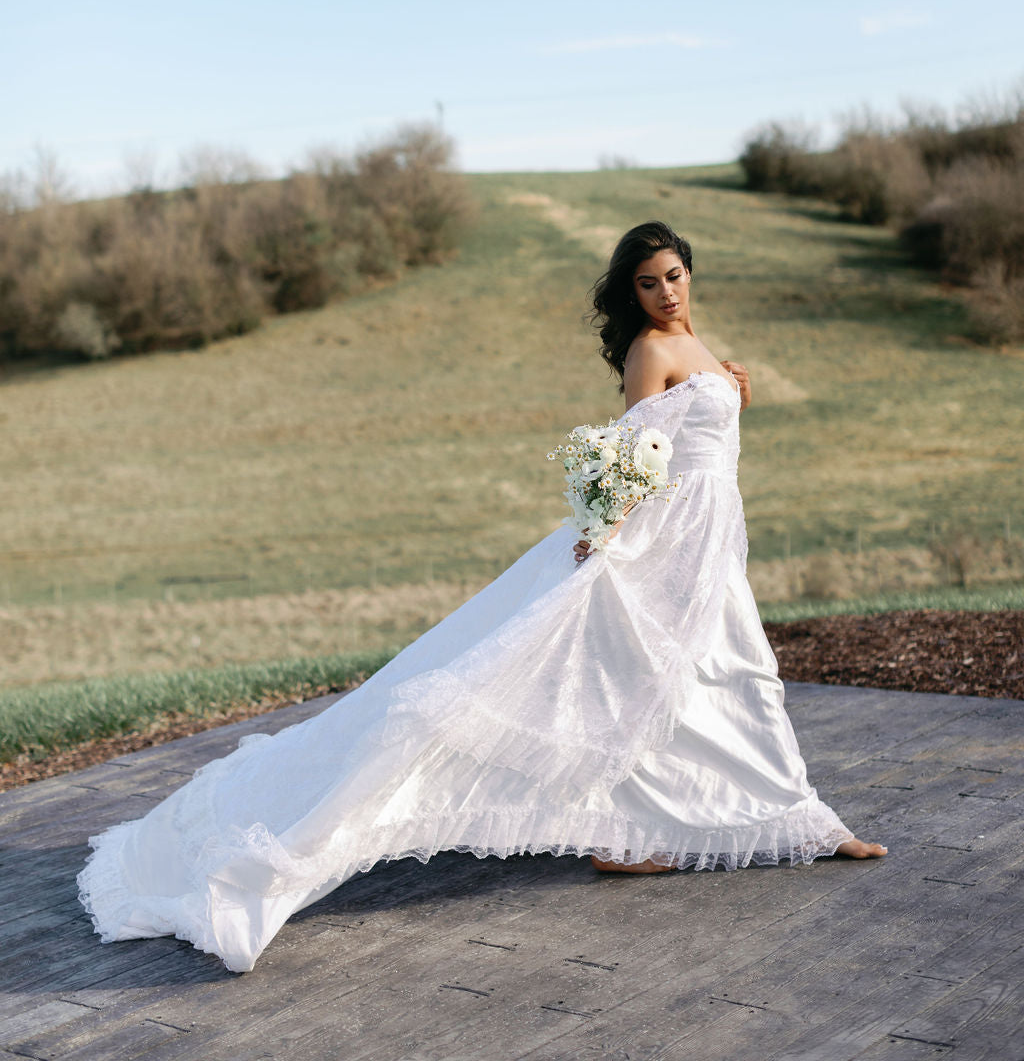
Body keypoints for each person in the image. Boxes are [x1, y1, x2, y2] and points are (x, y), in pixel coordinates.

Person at [78, 220, 884, 973]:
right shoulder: (648, 351)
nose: (666, 292)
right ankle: (775, 826)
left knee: (721, 681)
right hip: (664, 542)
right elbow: (637, 451)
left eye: (673, 276)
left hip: (709, 547)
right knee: (623, 679)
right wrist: (608, 530)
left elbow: (701, 424)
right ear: (630, 294)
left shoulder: (695, 342)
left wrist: (731, 383)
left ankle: (736, 826)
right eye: (648, 283)